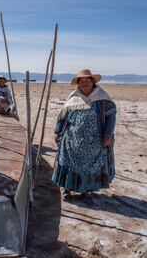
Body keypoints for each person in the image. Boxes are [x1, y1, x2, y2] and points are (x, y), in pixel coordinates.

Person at [52, 69, 116, 200]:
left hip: (94, 141)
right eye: (81, 81)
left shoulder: (102, 97)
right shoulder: (73, 97)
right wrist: (57, 131)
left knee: (90, 166)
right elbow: (63, 116)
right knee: (68, 163)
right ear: (78, 83)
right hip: (71, 140)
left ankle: (85, 191)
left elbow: (111, 117)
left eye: (88, 80)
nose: (84, 83)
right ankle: (67, 189)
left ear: (93, 82)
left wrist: (107, 136)